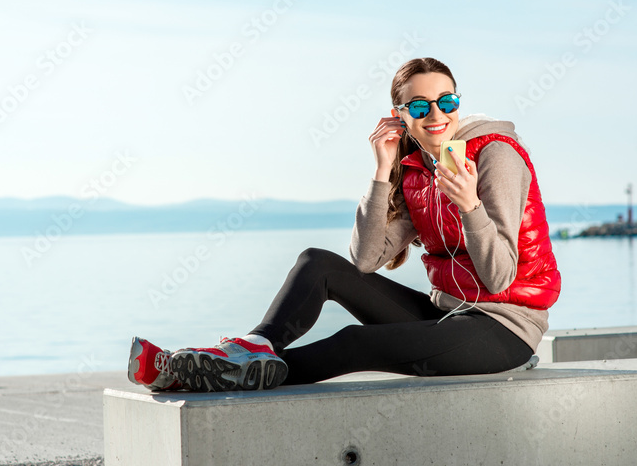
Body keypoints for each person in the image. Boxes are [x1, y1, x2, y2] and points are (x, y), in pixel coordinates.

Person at [129, 57, 561, 392]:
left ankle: (214, 374)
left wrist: (470, 205)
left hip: (504, 331)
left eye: (447, 101)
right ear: (399, 114)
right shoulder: (417, 170)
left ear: (458, 103)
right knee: (317, 263)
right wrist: (381, 170)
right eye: (419, 104)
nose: (437, 114)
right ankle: (254, 346)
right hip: (448, 313)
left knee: (354, 341)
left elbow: (500, 275)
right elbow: (366, 260)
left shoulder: (495, 157)